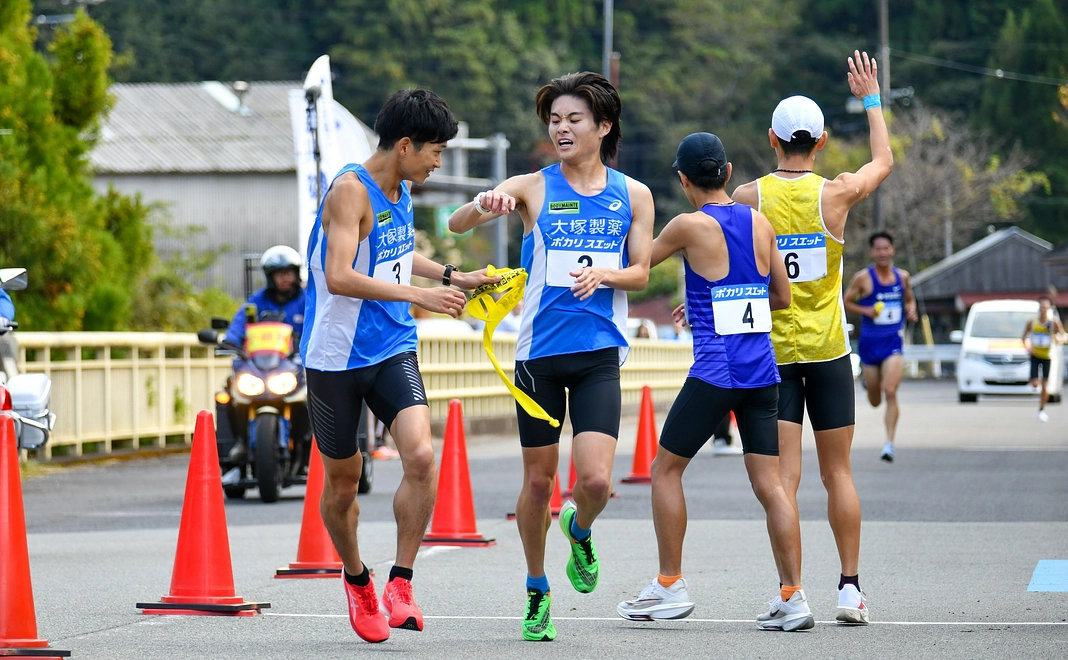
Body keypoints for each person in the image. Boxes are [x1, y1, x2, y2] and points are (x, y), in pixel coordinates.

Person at [449, 71, 654, 641]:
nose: (561, 129)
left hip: (598, 354)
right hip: (538, 355)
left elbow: (640, 272)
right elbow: (455, 223)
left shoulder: (634, 194)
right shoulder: (533, 187)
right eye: (554, 120)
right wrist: (484, 204)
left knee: (593, 481)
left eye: (573, 120)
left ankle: (580, 530)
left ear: (603, 126)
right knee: (538, 484)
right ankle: (537, 589)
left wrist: (606, 274)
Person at [299, 88, 497, 644]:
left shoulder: (402, 186)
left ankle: (400, 584)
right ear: (405, 145)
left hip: (391, 347)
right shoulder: (347, 192)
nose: (439, 162)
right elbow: (339, 275)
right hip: (334, 357)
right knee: (343, 486)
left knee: (421, 455)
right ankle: (358, 580)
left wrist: (453, 278)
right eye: (435, 152)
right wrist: (420, 296)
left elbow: (393, 251)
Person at [617, 133, 811, 631]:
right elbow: (782, 298)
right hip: (763, 374)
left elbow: (637, 266)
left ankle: (669, 584)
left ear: (684, 180)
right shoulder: (760, 222)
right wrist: (708, 305)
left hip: (715, 372)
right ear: (726, 174)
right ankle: (794, 596)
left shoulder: (686, 224)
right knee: (772, 485)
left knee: (665, 470)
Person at [732, 51, 893, 625]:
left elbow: (719, 248)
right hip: (829, 351)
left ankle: (790, 593)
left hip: (772, 355)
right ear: (821, 142)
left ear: (772, 140)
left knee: (785, 480)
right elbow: (884, 159)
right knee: (839, 473)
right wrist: (871, 99)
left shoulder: (750, 198)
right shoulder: (838, 193)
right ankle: (850, 588)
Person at [222, 246, 308, 463]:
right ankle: (241, 441)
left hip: (295, 366)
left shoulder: (307, 300)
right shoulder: (256, 302)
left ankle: (312, 444)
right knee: (228, 392)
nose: (285, 278)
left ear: (296, 273)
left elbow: (321, 325)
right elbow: (238, 327)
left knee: (321, 392)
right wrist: (230, 341)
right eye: (279, 274)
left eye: (289, 272)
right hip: (260, 367)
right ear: (270, 277)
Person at [843, 231, 918, 462]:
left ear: (892, 250)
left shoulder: (902, 277)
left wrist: (911, 309)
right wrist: (866, 310)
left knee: (891, 390)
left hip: (893, 342)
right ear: (872, 252)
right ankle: (869, 383)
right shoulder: (863, 278)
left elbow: (909, 298)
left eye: (886, 248)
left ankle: (889, 444)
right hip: (869, 344)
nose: (883, 252)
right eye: (878, 249)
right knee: (875, 400)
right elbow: (846, 301)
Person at [1022, 295, 1066, 423]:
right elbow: (1023, 338)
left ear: (1049, 308)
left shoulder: (1054, 323)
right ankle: (1033, 380)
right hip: (1035, 355)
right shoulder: (1032, 322)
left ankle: (1041, 409)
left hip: (1047, 356)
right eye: (1041, 306)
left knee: (1045, 386)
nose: (1043, 309)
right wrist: (1028, 348)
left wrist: (1059, 339)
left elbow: (1062, 336)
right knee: (1036, 383)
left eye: (1046, 307)